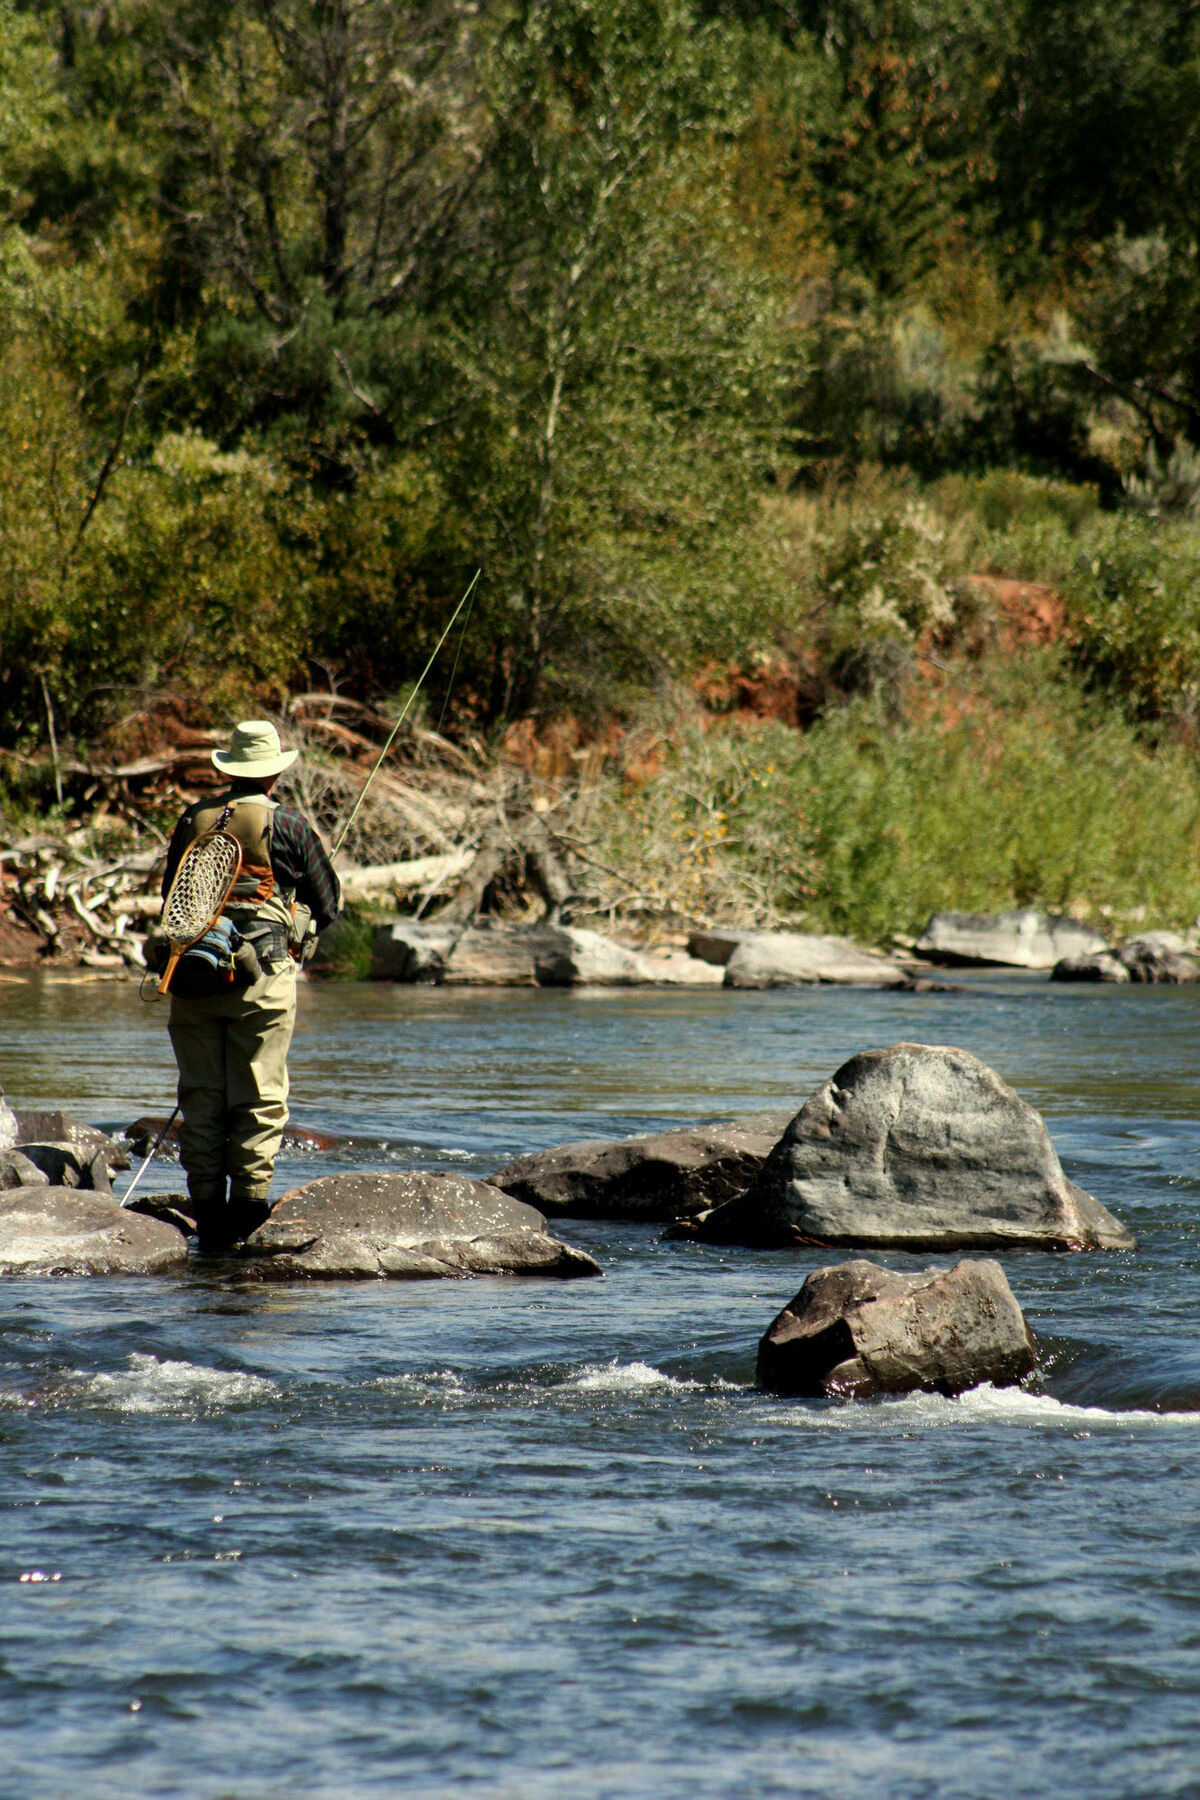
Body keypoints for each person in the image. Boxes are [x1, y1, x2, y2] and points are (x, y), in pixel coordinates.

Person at [160, 719, 341, 1249]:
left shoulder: (193, 818)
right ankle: (248, 1216)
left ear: (229, 768)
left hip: (192, 976)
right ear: (274, 775)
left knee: (201, 1098)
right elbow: (328, 905)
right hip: (261, 982)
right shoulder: (288, 825)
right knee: (258, 1097)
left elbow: (173, 897)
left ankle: (207, 1221)